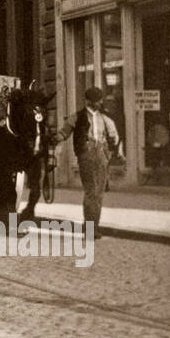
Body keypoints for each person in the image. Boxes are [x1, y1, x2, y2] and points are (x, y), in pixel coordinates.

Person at [51, 86, 120, 237]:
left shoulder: (104, 117)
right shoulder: (77, 116)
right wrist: (56, 139)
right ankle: (90, 228)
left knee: (99, 193)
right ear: (88, 101)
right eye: (97, 100)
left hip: (101, 155)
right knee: (91, 191)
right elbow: (65, 132)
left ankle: (93, 226)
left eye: (100, 99)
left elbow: (113, 136)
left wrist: (110, 152)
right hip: (86, 155)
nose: (99, 102)